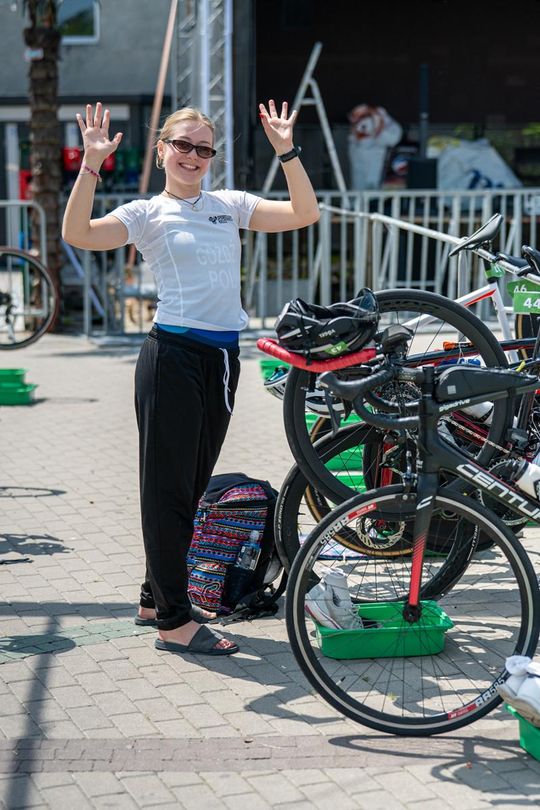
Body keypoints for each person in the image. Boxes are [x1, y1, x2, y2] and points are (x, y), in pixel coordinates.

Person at [62, 100, 320, 657]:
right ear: (162, 151)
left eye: (204, 148)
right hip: (172, 357)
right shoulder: (145, 214)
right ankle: (174, 624)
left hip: (223, 360)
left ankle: (155, 597)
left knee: (190, 489)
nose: (194, 156)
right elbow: (78, 233)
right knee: (167, 493)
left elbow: (304, 212)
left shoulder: (228, 204)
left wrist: (285, 150)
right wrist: (91, 164)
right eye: (183, 145)